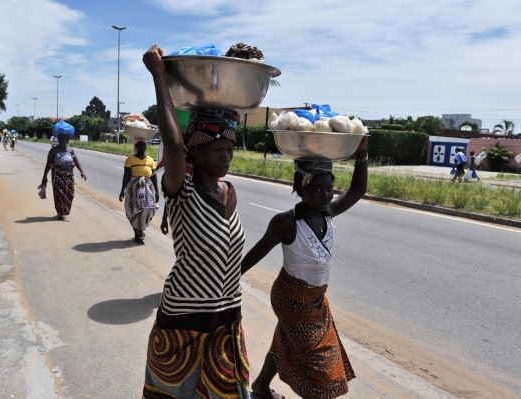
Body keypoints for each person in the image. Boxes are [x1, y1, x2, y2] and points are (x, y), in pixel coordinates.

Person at [142, 44, 250, 398]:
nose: (226, 157)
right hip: (182, 323)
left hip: (227, 320)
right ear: (197, 150)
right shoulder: (181, 189)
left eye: (230, 150)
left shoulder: (230, 193)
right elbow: (173, 145)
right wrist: (159, 75)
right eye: (218, 150)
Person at [241, 137, 368, 399]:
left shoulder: (328, 213)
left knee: (285, 341)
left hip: (316, 300)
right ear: (300, 187)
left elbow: (357, 191)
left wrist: (362, 155)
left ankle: (261, 387)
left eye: (329, 189)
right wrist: (225, 280)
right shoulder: (286, 223)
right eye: (317, 190)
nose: (325, 195)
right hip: (291, 298)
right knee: (322, 366)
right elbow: (255, 254)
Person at [41, 121, 86, 220]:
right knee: (59, 194)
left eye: (65, 138)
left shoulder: (70, 150)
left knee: (70, 194)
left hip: (69, 176)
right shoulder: (53, 150)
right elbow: (48, 165)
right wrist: (44, 177)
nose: (63, 140)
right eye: (60, 138)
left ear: (68, 139)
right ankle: (61, 213)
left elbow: (76, 160)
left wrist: (82, 171)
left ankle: (64, 211)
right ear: (58, 138)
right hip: (58, 176)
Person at [118, 140, 159, 244]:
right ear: (136, 146)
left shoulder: (150, 160)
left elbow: (154, 177)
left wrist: (157, 192)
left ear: (146, 146)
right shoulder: (130, 159)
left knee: (148, 209)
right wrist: (122, 190)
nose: (142, 146)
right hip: (133, 188)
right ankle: (137, 235)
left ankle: (141, 229)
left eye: (144, 144)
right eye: (139, 145)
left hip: (147, 188)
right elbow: (126, 175)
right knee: (135, 211)